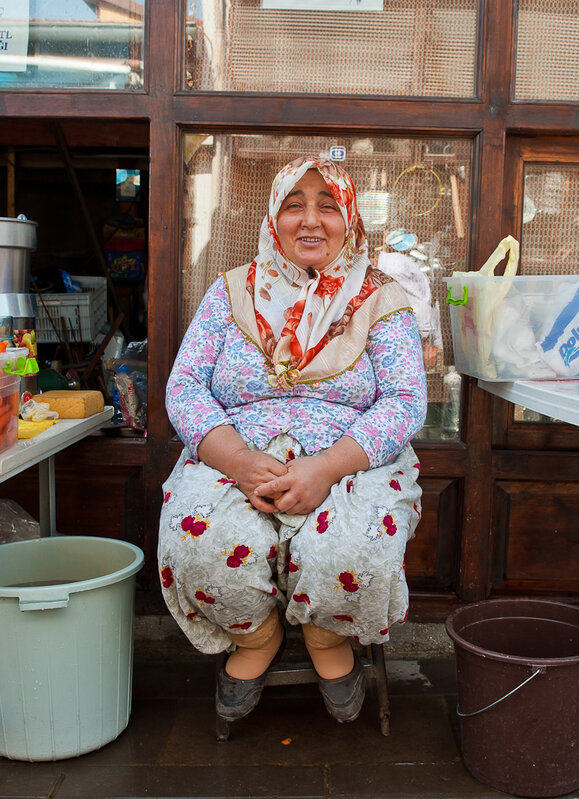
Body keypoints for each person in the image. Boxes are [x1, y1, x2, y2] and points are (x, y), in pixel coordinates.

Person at [159, 155, 427, 726]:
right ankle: (257, 639)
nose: (311, 220)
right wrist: (236, 460)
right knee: (201, 543)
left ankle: (327, 639)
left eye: (328, 205)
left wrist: (325, 469)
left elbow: (406, 401)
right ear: (273, 218)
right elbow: (183, 387)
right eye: (293, 205)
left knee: (350, 550)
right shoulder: (228, 292)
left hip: (352, 460)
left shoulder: (382, 298)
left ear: (350, 217)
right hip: (236, 454)